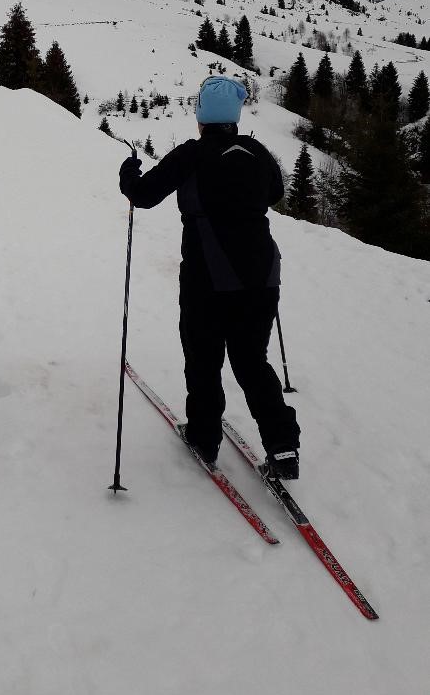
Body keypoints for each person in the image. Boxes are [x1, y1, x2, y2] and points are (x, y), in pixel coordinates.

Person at [118, 76, 301, 478]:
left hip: (208, 275)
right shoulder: (257, 152)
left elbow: (142, 195)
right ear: (233, 118)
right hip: (262, 272)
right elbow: (275, 193)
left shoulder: (192, 154)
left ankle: (204, 436)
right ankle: (283, 445)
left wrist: (128, 171)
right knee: (251, 360)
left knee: (203, 357)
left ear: (202, 117)